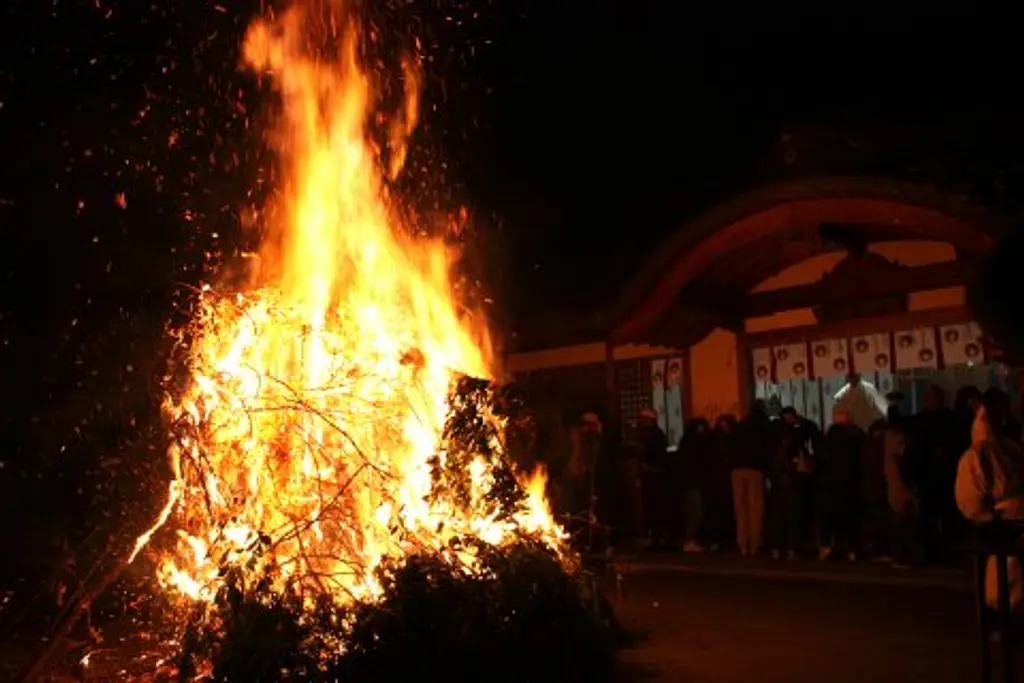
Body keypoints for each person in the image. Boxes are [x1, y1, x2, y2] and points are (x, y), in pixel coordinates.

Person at [955, 390, 1024, 615]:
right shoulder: (1000, 450)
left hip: (1007, 524)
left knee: (1007, 585)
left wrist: (986, 517)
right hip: (1007, 523)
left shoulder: (991, 451)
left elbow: (970, 502)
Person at [768, 407, 821, 559]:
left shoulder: (775, 432)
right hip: (791, 478)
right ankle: (791, 547)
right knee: (792, 514)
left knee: (778, 515)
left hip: (779, 479)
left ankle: (777, 547)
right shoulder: (794, 432)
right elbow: (811, 430)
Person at [819, 408, 866, 561]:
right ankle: (851, 549)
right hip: (849, 484)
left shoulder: (829, 438)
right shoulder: (854, 437)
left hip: (831, 485)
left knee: (829, 518)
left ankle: (827, 547)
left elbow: (822, 459)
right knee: (849, 519)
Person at [731, 400, 772, 556]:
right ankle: (755, 544)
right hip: (755, 468)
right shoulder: (763, 425)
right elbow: (767, 448)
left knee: (740, 508)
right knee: (756, 508)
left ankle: (742, 543)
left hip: (737, 469)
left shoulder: (741, 424)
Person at [883, 405, 915, 568]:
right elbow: (904, 453)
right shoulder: (895, 438)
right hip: (899, 483)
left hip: (894, 482)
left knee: (900, 519)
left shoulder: (887, 436)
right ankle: (901, 555)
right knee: (902, 520)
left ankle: (900, 555)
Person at [637, 408, 670, 550]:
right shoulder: (655, 434)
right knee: (653, 508)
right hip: (653, 475)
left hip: (653, 476)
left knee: (654, 508)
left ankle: (657, 539)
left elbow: (651, 455)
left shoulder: (653, 435)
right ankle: (656, 538)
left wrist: (646, 465)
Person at [677, 418, 711, 552]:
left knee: (694, 511)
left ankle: (691, 539)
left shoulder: (687, 442)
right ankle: (689, 539)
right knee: (695, 512)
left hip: (691, 482)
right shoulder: (694, 443)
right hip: (692, 482)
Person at [706, 414, 738, 552]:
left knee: (721, 510)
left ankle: (720, 540)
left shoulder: (713, 438)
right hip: (723, 478)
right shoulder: (727, 439)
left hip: (719, 478)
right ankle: (723, 539)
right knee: (723, 510)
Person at [862, 419, 892, 560]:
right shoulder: (879, 449)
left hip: (871, 488)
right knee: (881, 519)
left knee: (875, 519)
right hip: (878, 488)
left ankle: (876, 548)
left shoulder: (867, 447)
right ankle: (880, 549)